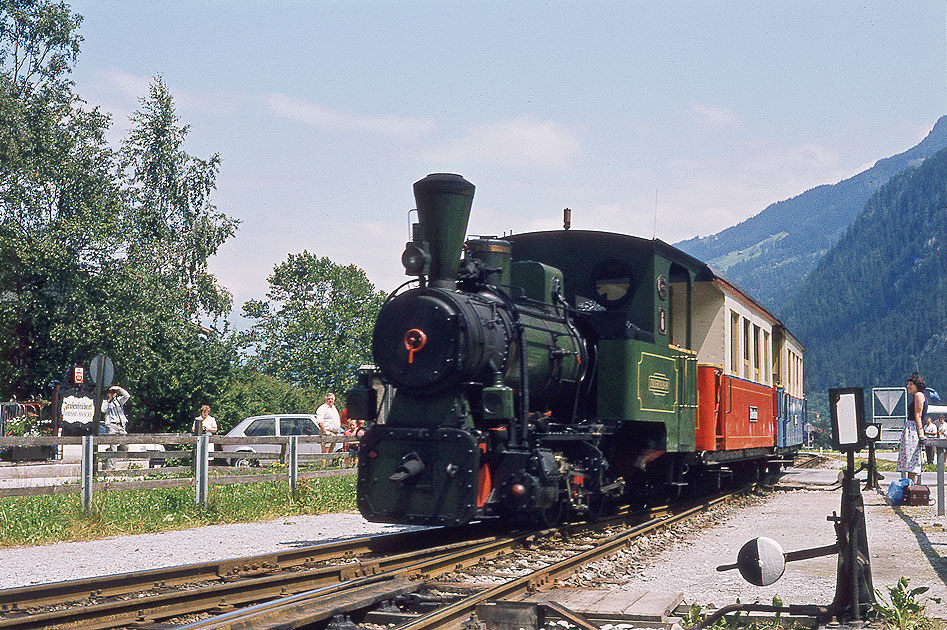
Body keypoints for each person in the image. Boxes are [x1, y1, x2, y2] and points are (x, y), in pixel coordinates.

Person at [898, 372, 927, 484]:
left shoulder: (918, 395)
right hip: (911, 428)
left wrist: (920, 433)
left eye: (911, 384)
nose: (908, 386)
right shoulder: (916, 396)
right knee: (910, 463)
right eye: (908, 384)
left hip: (913, 429)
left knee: (912, 463)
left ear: (917, 385)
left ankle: (913, 489)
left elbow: (918, 415)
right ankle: (910, 489)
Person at [101, 386, 130, 470]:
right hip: (112, 426)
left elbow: (127, 396)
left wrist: (119, 389)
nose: (112, 394)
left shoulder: (119, 401)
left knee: (125, 446)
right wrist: (108, 399)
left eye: (114, 392)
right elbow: (103, 410)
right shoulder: (105, 402)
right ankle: (110, 469)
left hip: (121, 425)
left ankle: (108, 453)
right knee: (113, 447)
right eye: (111, 392)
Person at [316, 392, 341, 467]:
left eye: (332, 399)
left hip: (334, 433)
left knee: (330, 452)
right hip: (327, 432)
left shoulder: (334, 408)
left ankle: (327, 467)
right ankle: (323, 468)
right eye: (328, 399)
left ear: (334, 399)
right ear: (325, 399)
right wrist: (324, 431)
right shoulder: (322, 408)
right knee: (325, 452)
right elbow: (319, 421)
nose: (330, 400)